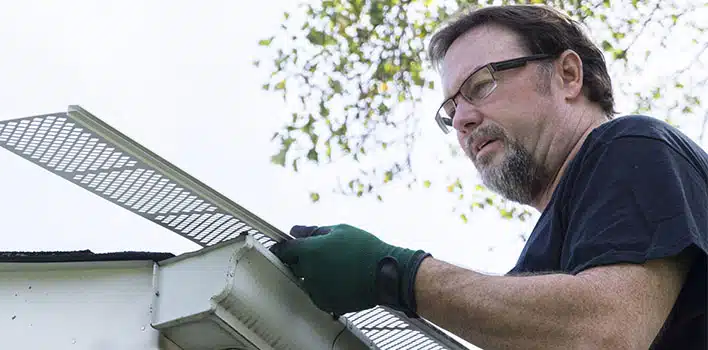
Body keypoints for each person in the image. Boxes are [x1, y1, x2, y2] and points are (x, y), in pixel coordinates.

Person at [269, 4, 707, 349]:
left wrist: (395, 273)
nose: (462, 120)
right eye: (451, 109)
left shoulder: (632, 144)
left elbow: (604, 333)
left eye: (480, 85)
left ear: (568, 76)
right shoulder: (537, 270)